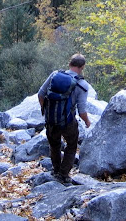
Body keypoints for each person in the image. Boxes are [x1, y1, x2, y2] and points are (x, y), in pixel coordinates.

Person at [38, 53, 91, 183]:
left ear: (69, 63)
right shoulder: (82, 85)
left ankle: (55, 170)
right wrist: (87, 122)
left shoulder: (54, 75)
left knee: (54, 145)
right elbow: (82, 111)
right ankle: (63, 174)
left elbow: (41, 94)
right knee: (71, 145)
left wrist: (46, 112)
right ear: (82, 67)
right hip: (68, 122)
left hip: (51, 120)